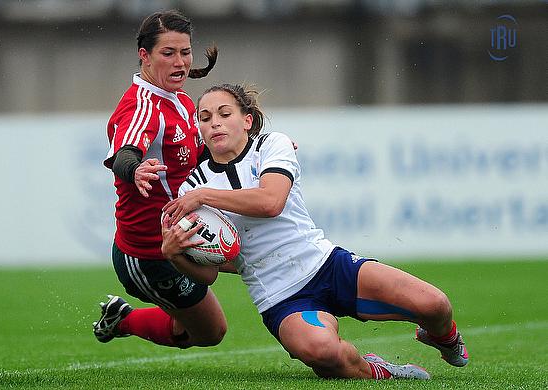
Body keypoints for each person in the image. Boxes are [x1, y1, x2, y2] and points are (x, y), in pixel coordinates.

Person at [160, 83, 469, 380]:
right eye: (205, 117)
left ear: (247, 120)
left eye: (224, 114)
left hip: (327, 265)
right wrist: (175, 255)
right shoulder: (192, 186)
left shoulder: (271, 145)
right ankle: (381, 370)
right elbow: (212, 271)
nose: (215, 123)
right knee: (325, 355)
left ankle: (443, 337)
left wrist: (203, 197)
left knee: (435, 305)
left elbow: (271, 202)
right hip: (281, 297)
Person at [92, 10, 233, 350]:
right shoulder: (143, 106)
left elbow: (202, 159)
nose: (180, 62)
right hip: (147, 254)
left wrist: (263, 149)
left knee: (255, 256)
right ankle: (122, 320)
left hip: (180, 235)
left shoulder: (182, 102)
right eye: (168, 53)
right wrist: (133, 168)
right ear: (145, 56)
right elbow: (125, 152)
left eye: (185, 52)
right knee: (209, 333)